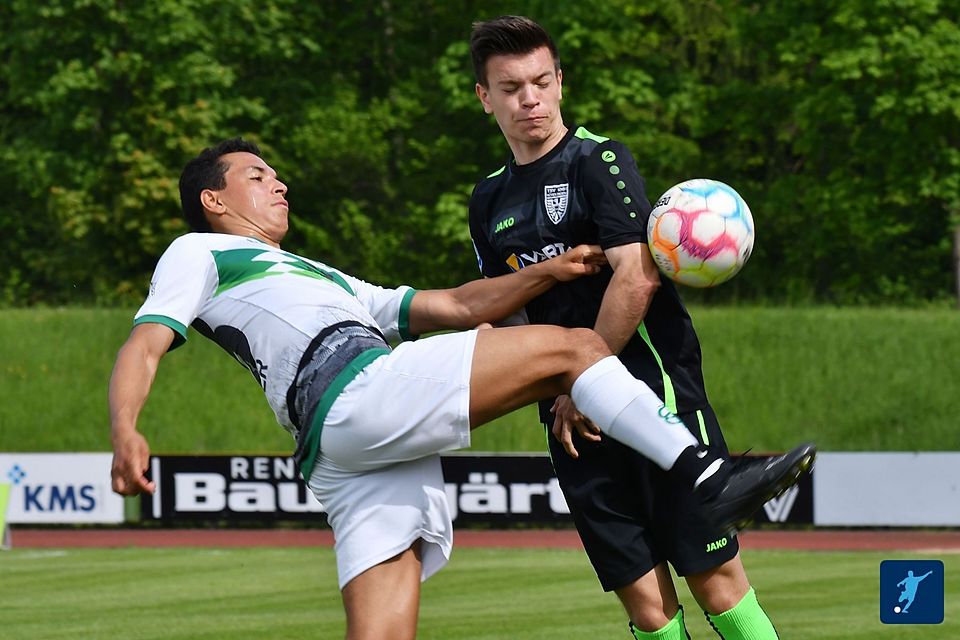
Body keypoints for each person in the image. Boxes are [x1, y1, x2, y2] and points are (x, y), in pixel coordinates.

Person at [109, 137, 814, 640]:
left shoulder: (320, 277)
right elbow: (147, 339)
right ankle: (707, 472)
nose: (279, 183)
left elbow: (457, 307)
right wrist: (126, 428)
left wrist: (546, 271)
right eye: (258, 175)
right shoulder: (197, 250)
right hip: (355, 394)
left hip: (344, 454)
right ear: (212, 199)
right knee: (572, 349)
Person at [468, 15, 796, 640]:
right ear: (485, 98)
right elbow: (503, 304)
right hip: (569, 427)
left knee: (715, 579)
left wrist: (575, 385)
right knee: (647, 607)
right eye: (511, 88)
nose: (529, 99)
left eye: (541, 81)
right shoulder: (487, 200)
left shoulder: (600, 160)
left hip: (653, 396)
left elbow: (636, 279)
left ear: (560, 82)